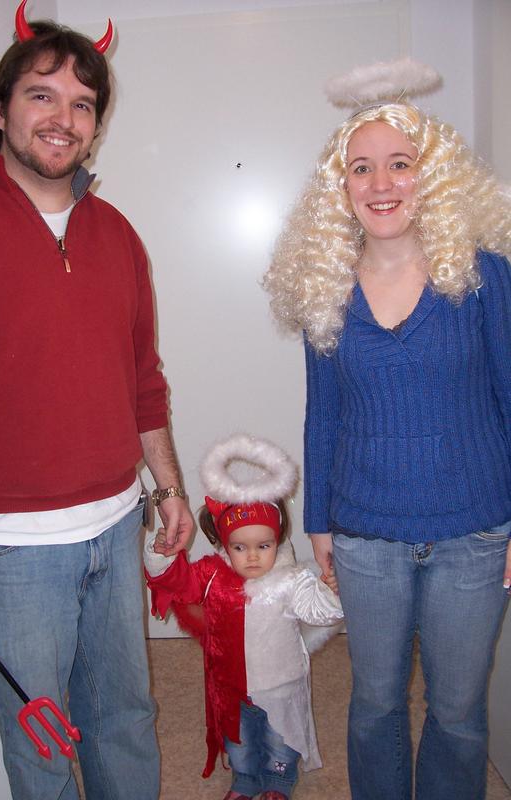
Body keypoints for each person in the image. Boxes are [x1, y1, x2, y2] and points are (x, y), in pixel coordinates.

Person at [0, 7, 193, 800]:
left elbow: (142, 378)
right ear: (1, 110)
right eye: (41, 95)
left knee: (126, 717)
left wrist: (167, 488)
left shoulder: (117, 235)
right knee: (41, 746)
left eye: (82, 104)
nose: (62, 118)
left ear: (96, 126)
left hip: (115, 524)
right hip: (6, 553)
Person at [263, 60, 511, 800]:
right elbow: (324, 413)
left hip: (474, 531)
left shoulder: (485, 276)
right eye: (361, 168)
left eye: (400, 164)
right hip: (365, 533)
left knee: (457, 711)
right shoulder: (326, 288)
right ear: (340, 188)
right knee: (374, 705)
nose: (381, 184)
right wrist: (318, 521)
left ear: (429, 174)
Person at [144, 434, 343, 800]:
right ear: (225, 544)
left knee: (280, 740)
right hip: (232, 686)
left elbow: (320, 611)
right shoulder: (213, 575)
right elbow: (181, 585)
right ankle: (245, 778)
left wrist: (332, 591)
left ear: (277, 540)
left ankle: (279, 780)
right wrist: (164, 556)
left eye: (263, 546)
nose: (252, 557)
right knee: (240, 741)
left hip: (281, 684)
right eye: (240, 547)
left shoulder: (291, 580)